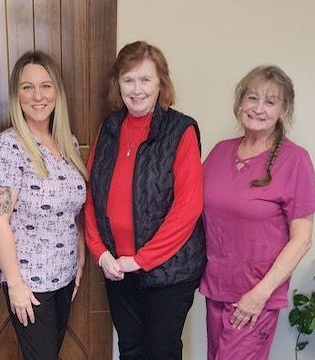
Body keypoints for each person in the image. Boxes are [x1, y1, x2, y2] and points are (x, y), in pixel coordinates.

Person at [85, 40, 206, 359]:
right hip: (117, 270)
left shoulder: (180, 130)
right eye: (128, 80)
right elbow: (91, 196)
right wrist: (100, 253)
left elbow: (188, 208)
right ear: (118, 84)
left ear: (161, 83)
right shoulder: (108, 129)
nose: (136, 89)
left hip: (168, 273)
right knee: (131, 349)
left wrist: (142, 259)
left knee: (160, 351)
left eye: (145, 79)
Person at [199, 65, 315, 360]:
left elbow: (302, 239)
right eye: (252, 98)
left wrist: (260, 294)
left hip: (255, 296)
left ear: (284, 109)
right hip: (215, 289)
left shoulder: (295, 160)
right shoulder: (218, 152)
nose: (258, 108)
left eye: (270, 101)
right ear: (240, 102)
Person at [0, 50, 87, 360]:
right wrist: (14, 284)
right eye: (27, 87)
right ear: (17, 94)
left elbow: (75, 210)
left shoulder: (66, 141)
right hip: (30, 284)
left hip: (65, 276)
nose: (37, 96)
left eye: (46, 85)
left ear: (58, 92)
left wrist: (80, 257)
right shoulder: (6, 147)